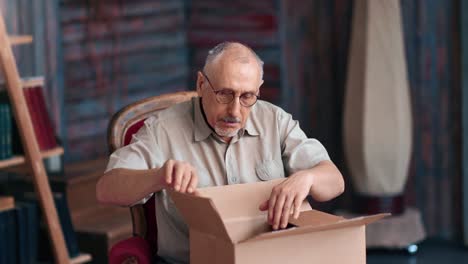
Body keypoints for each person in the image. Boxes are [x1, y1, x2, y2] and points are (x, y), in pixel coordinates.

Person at [96, 41, 344, 263]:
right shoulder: (162, 130)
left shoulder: (275, 120)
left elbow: (335, 182)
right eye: (224, 94)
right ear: (202, 84)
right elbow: (107, 190)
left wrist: (307, 178)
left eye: (247, 96)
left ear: (258, 89)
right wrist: (158, 176)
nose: (235, 111)